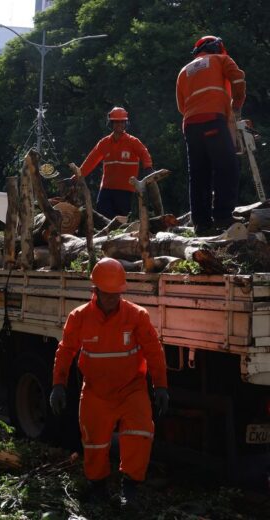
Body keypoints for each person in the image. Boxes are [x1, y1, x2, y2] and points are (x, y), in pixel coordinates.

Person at [49, 258, 169, 508]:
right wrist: (58, 385)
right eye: (107, 294)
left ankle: (131, 488)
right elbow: (65, 350)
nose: (113, 299)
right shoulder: (79, 317)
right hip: (96, 390)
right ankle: (98, 487)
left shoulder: (137, 316)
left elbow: (154, 351)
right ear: (96, 291)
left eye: (117, 293)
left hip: (131, 388)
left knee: (140, 433)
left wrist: (161, 386)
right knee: (94, 441)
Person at [176, 35, 247, 235]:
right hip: (214, 119)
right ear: (216, 47)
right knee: (227, 166)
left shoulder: (183, 71)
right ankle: (223, 217)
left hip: (190, 125)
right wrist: (236, 106)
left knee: (199, 174)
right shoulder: (221, 59)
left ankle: (201, 223)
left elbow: (182, 106)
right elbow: (238, 78)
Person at [75, 107, 153, 218]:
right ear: (111, 123)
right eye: (116, 122)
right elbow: (90, 162)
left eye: (122, 121)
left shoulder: (133, 142)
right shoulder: (104, 143)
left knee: (120, 220)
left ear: (126, 123)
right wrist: (76, 177)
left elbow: (144, 153)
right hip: (106, 189)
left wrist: (148, 167)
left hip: (125, 190)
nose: (119, 124)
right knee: (102, 218)